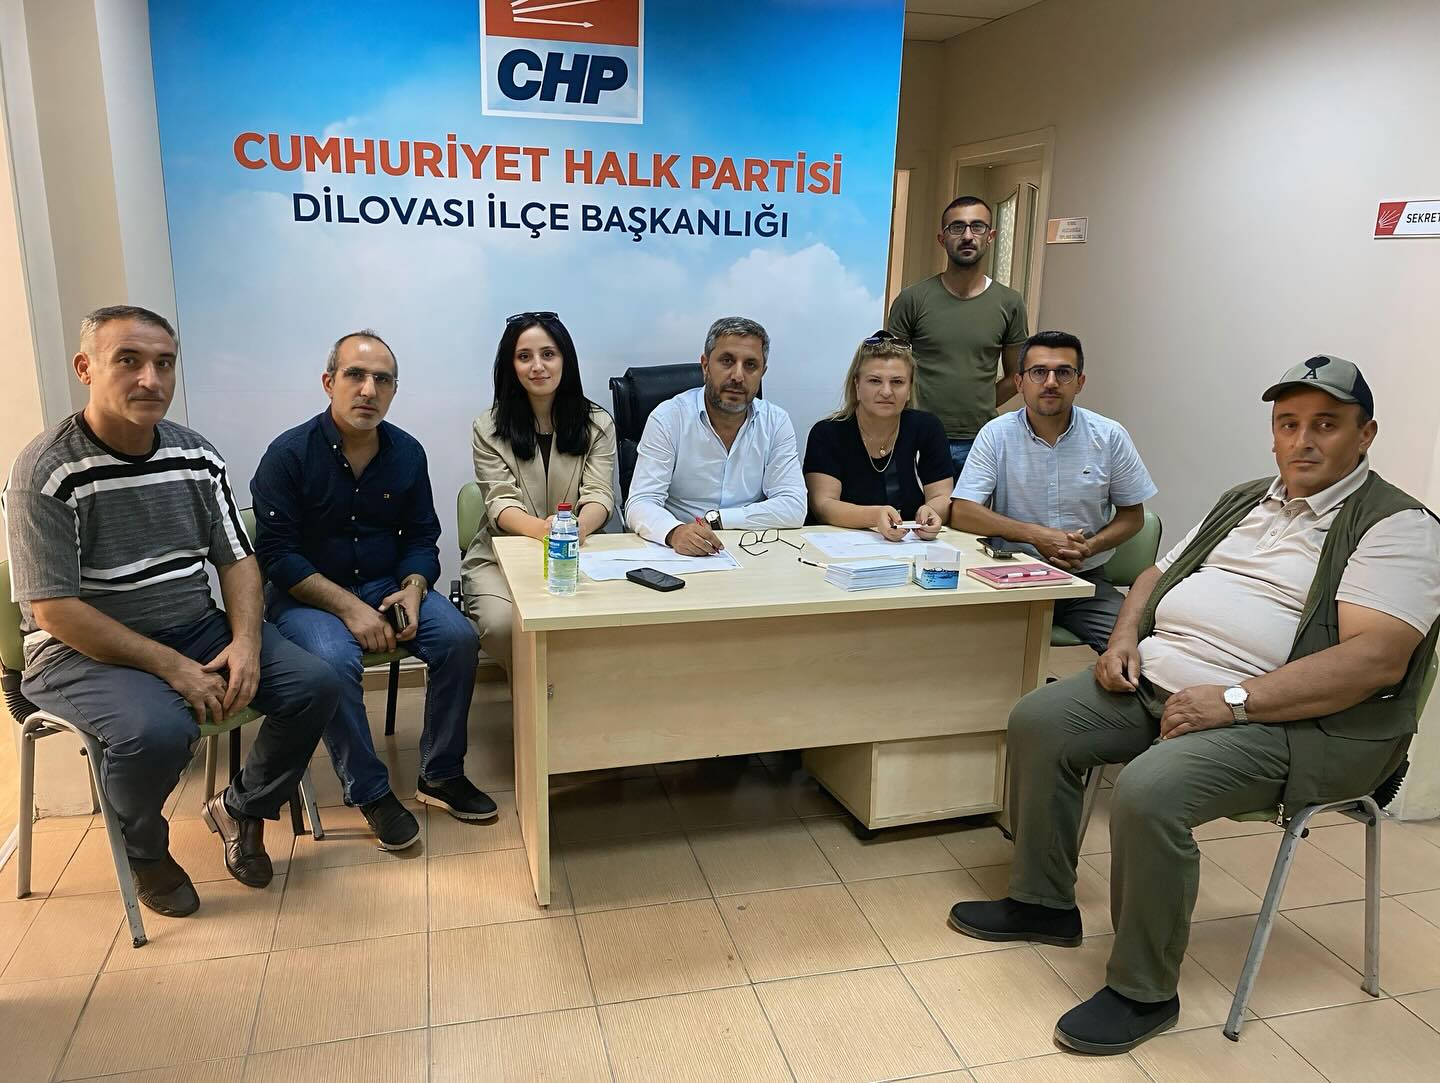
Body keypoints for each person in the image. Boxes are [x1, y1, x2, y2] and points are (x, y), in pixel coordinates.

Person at [947, 356, 1440, 1055]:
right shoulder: (1244, 499)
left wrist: (1234, 700)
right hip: (1160, 682)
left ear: (1366, 435)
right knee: (1041, 720)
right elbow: (1155, 574)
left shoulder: (1397, 526)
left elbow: (1375, 660)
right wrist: (1122, 639)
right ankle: (1042, 902)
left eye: (1326, 424)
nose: (1302, 440)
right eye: (1288, 423)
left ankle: (1144, 990)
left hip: (1293, 719)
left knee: (1149, 788)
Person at [2, 306, 339, 917]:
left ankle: (241, 808)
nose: (150, 379)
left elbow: (238, 560)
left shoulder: (195, 455)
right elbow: (53, 610)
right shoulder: (46, 471)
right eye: (128, 361)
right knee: (158, 731)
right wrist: (173, 668)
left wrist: (246, 642)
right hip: (77, 653)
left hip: (194, 626)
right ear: (85, 368)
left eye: (164, 363)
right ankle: (146, 852)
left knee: (314, 683)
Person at [251, 329, 495, 852]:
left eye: (382, 380)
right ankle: (370, 791)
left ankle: (440, 773)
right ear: (328, 382)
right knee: (331, 661)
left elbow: (422, 535)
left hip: (387, 585)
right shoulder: (288, 455)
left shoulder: (407, 452)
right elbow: (277, 555)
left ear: (394, 391)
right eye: (355, 375)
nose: (368, 390)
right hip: (308, 594)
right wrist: (349, 608)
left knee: (459, 639)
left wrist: (414, 588)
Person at [950, 330, 1157, 650]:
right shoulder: (996, 434)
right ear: (1019, 382)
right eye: (1038, 372)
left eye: (1063, 373)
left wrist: (1089, 546)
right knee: (966, 651)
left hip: (1084, 578)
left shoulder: (1109, 435)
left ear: (1080, 382)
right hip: (1009, 575)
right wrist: (1036, 536)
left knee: (1136, 649)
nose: (1050, 382)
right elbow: (963, 511)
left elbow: (1133, 516)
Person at [462, 312, 616, 672]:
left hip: (580, 551)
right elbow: (500, 501)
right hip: (501, 555)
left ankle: (568, 695)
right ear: (510, 366)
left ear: (565, 360)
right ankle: (533, 698)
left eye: (548, 354)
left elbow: (599, 495)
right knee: (504, 625)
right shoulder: (488, 427)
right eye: (524, 356)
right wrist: (548, 531)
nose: (537, 366)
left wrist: (574, 531)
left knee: (606, 620)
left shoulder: (597, 424)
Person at [626, 316, 806, 555]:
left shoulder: (776, 422)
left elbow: (794, 506)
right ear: (705, 366)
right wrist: (674, 532)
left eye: (750, 365)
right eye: (727, 361)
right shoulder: (669, 418)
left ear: (762, 372)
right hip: (678, 551)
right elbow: (640, 502)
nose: (738, 376)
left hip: (752, 548)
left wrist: (718, 520)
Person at [887, 196, 1029, 477]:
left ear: (990, 236)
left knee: (972, 507)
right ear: (942, 239)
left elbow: (1017, 375)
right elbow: (890, 370)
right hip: (917, 433)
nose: (967, 236)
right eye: (957, 227)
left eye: (977, 227)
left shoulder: (1010, 302)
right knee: (918, 506)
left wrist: (979, 404)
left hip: (979, 438)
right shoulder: (912, 299)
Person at [804, 331, 951, 540]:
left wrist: (932, 512)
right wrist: (875, 516)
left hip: (910, 544)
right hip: (843, 544)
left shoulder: (928, 428)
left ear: (910, 388)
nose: (886, 391)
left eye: (897, 382)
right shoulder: (827, 433)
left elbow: (942, 496)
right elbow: (823, 505)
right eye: (874, 381)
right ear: (857, 385)